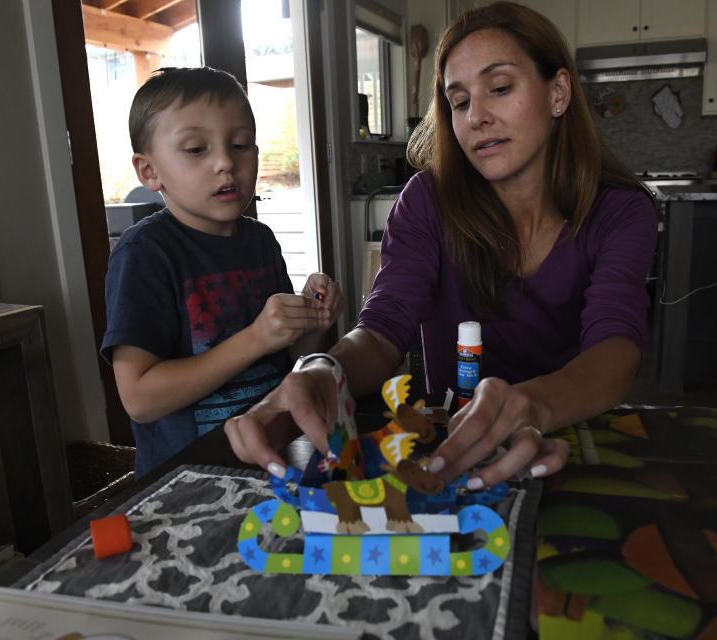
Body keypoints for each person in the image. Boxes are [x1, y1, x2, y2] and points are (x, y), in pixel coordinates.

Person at [227, 2, 656, 489]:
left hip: (569, 442)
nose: (477, 116)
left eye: (499, 88)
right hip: (449, 450)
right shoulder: (427, 201)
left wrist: (534, 405)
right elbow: (383, 327)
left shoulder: (620, 211)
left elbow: (616, 347)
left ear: (558, 93)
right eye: (458, 101)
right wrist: (325, 368)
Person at [101, 67, 344, 478]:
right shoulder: (144, 254)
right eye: (196, 149)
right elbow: (140, 398)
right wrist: (255, 338)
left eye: (241, 145)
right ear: (149, 172)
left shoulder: (261, 241)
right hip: (189, 479)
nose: (225, 162)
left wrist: (312, 321)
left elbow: (293, 358)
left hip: (275, 457)